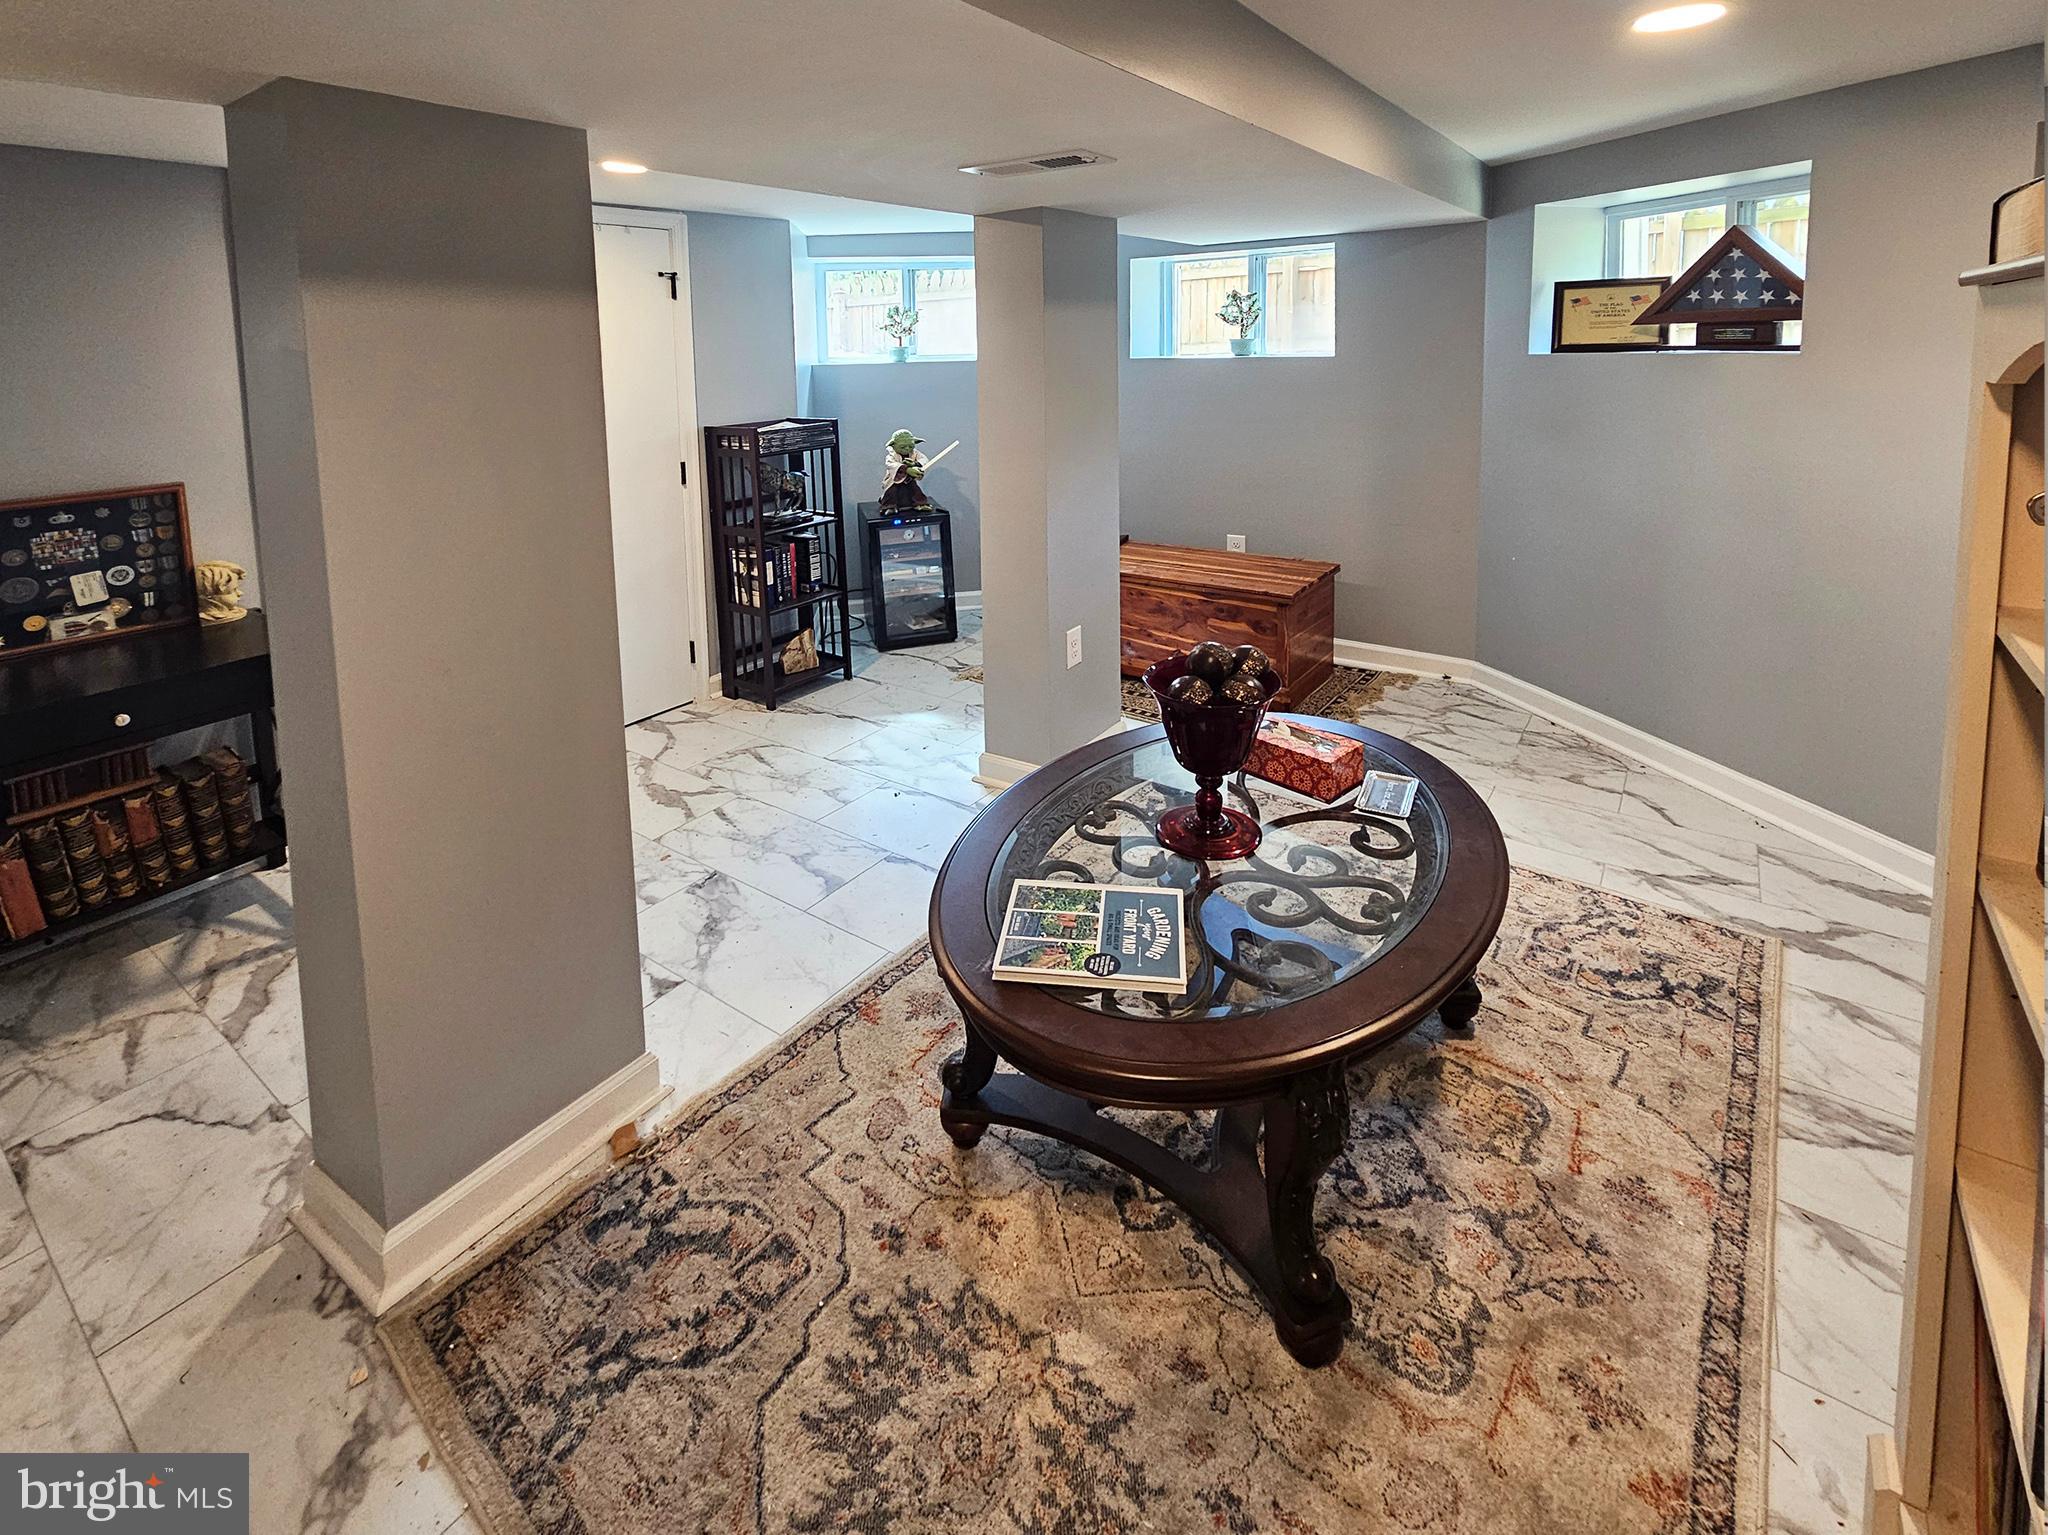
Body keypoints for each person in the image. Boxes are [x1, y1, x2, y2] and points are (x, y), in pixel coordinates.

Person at [879, 428, 931, 510]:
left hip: (909, 479)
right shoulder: (892, 456)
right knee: (892, 491)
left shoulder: (914, 453)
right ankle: (889, 507)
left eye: (910, 446)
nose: (907, 449)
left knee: (915, 490)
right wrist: (907, 470)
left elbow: (924, 459)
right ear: (893, 445)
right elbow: (891, 465)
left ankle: (920, 504)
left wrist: (915, 464)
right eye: (903, 447)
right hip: (895, 479)